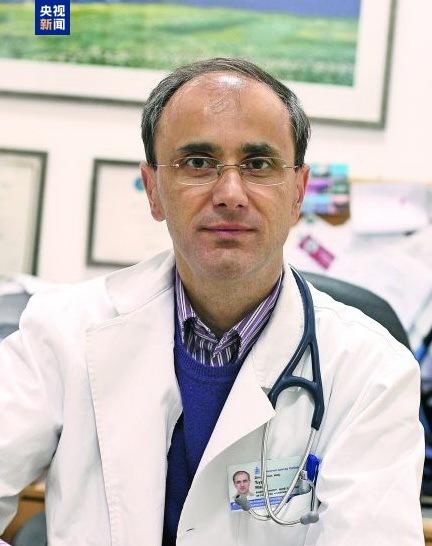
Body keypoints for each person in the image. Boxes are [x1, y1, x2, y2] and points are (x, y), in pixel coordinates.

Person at [0, 58, 425, 546]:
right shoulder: (61, 332)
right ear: (154, 190)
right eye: (198, 163)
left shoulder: (372, 370)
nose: (230, 194)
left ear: (298, 192)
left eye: (258, 164)